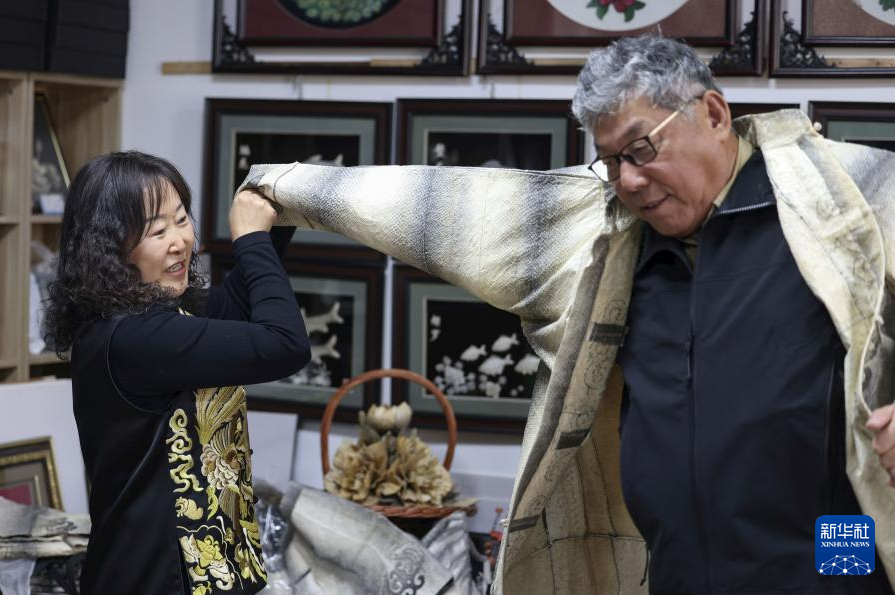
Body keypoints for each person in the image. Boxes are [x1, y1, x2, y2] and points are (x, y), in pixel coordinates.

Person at [236, 36, 895, 594]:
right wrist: (281, 187)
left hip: (827, 559)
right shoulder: (609, 236)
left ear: (714, 114)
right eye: (611, 161)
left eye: (642, 149)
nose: (628, 180)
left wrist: (845, 567)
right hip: (677, 571)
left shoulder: (841, 206)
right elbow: (443, 207)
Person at [46, 151, 310, 595]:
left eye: (182, 219)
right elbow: (285, 344)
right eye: (157, 230)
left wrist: (275, 223)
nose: (180, 241)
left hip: (201, 572)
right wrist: (250, 241)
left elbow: (234, 309)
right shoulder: (132, 337)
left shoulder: (161, 315)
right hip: (154, 579)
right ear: (109, 250)